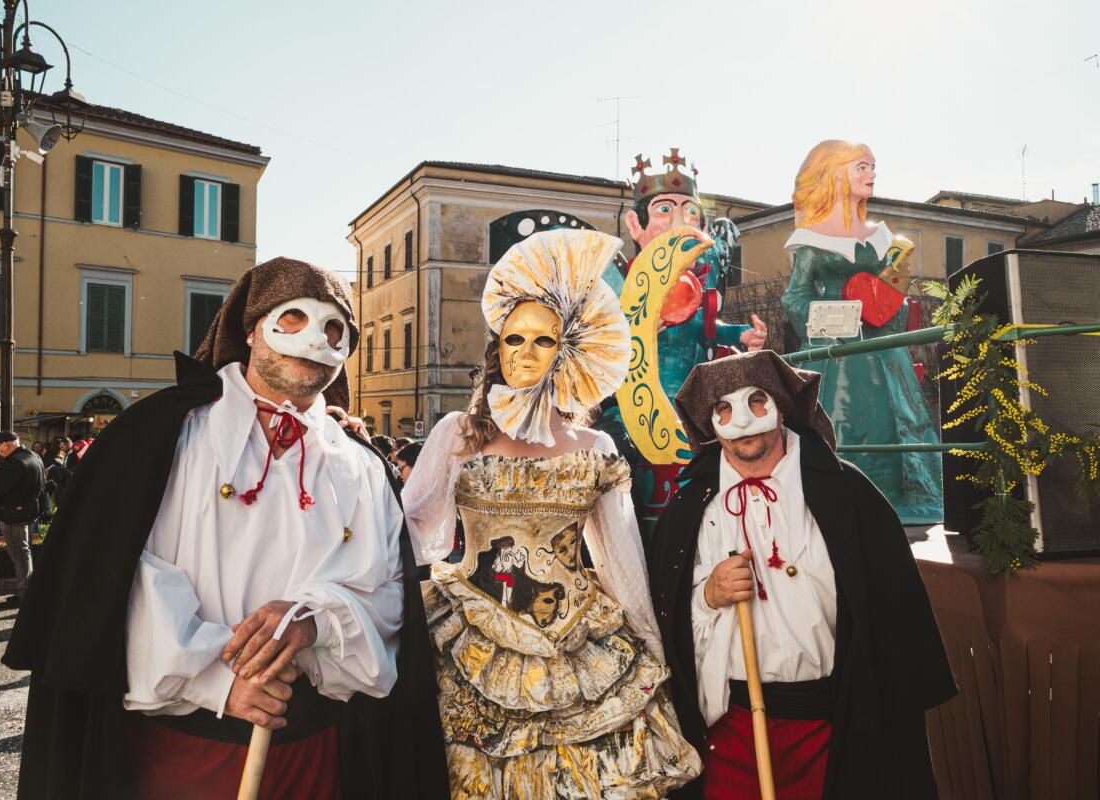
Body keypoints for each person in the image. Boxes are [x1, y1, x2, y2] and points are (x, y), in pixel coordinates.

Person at [2, 257, 447, 799]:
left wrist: (315, 622)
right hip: (182, 755)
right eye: (293, 320)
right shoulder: (163, 437)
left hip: (317, 754)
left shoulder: (361, 465)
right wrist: (220, 680)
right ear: (250, 329)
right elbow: (119, 584)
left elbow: (389, 597)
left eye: (336, 328)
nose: (316, 338)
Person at [403, 228, 702, 798]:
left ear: (567, 352)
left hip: (579, 647)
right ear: (496, 348)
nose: (523, 353)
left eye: (543, 341)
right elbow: (411, 531)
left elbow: (620, 559)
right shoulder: (457, 436)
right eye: (513, 338)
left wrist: (650, 646)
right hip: (470, 642)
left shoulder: (596, 449)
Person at [648, 350, 956, 798]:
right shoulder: (690, 509)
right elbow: (667, 623)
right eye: (724, 408)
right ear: (710, 424)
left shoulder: (846, 494)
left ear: (780, 405)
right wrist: (708, 595)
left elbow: (891, 617)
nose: (743, 419)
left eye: (756, 401)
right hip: (731, 728)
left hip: (833, 726)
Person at [593, 149, 768, 535]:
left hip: (693, 406)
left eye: (690, 212)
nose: (679, 222)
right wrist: (634, 330)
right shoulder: (617, 284)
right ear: (635, 225)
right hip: (632, 412)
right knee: (629, 485)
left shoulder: (699, 285)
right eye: (664, 211)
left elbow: (707, 329)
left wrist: (742, 334)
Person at [781, 140, 942, 524]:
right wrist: (842, 316)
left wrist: (888, 307)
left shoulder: (885, 238)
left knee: (898, 422)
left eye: (873, 166)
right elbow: (794, 298)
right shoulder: (811, 239)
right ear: (838, 173)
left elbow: (894, 297)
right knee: (838, 423)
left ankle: (904, 500)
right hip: (836, 355)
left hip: (886, 353)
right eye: (862, 167)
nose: (871, 174)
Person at [0, 431, 46, 607]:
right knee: (24, 551)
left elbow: (0, 489)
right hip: (27, 511)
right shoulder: (32, 456)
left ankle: (24, 594)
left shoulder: (14, 462)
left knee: (19, 553)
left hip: (13, 513)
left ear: (5, 445)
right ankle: (27, 592)